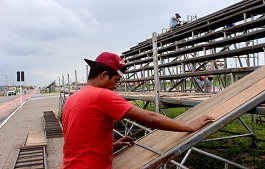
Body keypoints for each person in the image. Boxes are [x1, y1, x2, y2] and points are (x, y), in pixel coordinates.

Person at [61, 52, 215, 169]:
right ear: (103, 75)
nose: (115, 87)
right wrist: (189, 127)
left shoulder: (74, 98)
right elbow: (150, 118)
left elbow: (77, 141)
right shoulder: (101, 95)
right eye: (116, 81)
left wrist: (111, 146)